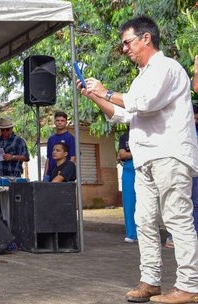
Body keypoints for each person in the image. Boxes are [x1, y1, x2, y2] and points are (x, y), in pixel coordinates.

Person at [79, 16, 198, 304]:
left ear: (146, 38)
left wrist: (106, 90)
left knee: (176, 219)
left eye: (127, 42)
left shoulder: (167, 68)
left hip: (169, 153)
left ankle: (190, 285)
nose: (125, 49)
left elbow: (143, 102)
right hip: (145, 160)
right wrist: (95, 95)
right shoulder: (141, 77)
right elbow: (123, 114)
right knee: (144, 222)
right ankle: (151, 281)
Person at [43, 111, 76, 182]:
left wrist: (64, 173)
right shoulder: (51, 139)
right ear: (54, 122)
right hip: (50, 174)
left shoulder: (70, 138)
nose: (60, 122)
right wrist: (45, 175)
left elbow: (72, 158)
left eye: (62, 121)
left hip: (63, 176)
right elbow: (48, 158)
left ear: (66, 122)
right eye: (57, 120)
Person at [118, 129, 137, 243]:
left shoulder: (147, 130)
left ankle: (146, 230)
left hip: (145, 167)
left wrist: (128, 154)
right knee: (129, 201)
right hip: (129, 169)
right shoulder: (124, 136)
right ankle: (131, 233)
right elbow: (122, 154)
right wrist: (137, 153)